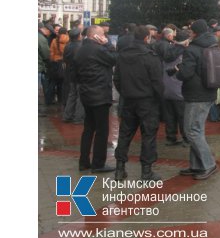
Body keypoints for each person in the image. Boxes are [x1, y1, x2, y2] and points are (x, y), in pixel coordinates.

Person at [113, 26, 164, 180]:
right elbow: (157, 82)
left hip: (128, 100)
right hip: (147, 101)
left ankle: (119, 169)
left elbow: (117, 79)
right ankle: (146, 171)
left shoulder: (122, 55)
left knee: (125, 134)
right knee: (148, 135)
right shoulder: (150, 56)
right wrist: (159, 98)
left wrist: (126, 92)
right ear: (146, 38)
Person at [176, 19, 218, 180]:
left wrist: (178, 71)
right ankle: (196, 165)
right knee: (197, 130)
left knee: (191, 131)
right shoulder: (213, 44)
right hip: (209, 91)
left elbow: (185, 73)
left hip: (196, 94)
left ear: (194, 32)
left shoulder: (192, 49)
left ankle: (208, 164)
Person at [74, 25, 117, 173]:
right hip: (99, 94)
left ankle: (84, 161)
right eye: (103, 35)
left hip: (86, 93)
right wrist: (108, 44)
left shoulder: (80, 49)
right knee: (102, 130)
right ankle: (98, 163)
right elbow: (114, 59)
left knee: (88, 128)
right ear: (96, 36)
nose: (105, 37)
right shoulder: (98, 49)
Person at [161, 29, 189, 146]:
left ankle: (170, 137)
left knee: (170, 115)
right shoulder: (185, 53)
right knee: (183, 115)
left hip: (166, 88)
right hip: (180, 88)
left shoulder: (167, 49)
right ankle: (186, 138)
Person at [62, 28, 85, 124]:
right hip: (80, 74)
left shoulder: (67, 46)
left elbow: (65, 59)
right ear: (79, 35)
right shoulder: (81, 46)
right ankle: (78, 117)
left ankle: (67, 116)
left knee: (72, 95)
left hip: (71, 73)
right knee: (80, 96)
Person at [38, 22, 52, 109]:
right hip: (39, 66)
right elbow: (46, 54)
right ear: (44, 29)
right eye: (49, 31)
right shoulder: (41, 38)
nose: (49, 33)